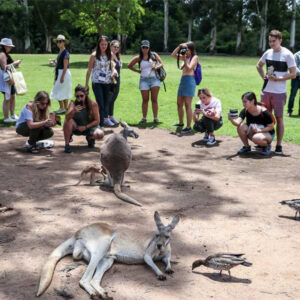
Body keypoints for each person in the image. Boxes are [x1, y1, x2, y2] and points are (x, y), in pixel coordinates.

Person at [256, 30, 296, 155]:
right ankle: (265, 143)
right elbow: (258, 65)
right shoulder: (268, 53)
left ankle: (278, 146)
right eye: (270, 41)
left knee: (279, 118)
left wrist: (279, 79)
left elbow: (294, 74)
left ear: (280, 40)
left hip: (279, 92)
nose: (271, 43)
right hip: (266, 91)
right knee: (265, 118)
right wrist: (263, 76)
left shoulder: (288, 54)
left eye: (274, 41)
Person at [85, 36, 118, 128]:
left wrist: (114, 71)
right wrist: (86, 84)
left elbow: (112, 65)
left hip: (107, 82)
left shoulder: (110, 54)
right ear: (98, 44)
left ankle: (100, 121)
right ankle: (101, 124)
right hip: (97, 82)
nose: (103, 46)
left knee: (106, 102)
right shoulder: (94, 55)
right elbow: (89, 70)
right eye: (102, 44)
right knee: (100, 102)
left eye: (105, 44)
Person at [228, 92, 275, 156]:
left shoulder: (264, 112)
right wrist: (232, 120)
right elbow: (238, 123)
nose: (243, 104)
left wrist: (259, 130)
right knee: (241, 126)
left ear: (252, 101)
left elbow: (271, 127)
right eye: (243, 102)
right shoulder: (245, 110)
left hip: (267, 133)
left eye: (245, 102)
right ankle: (247, 147)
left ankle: (266, 146)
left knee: (256, 138)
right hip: (255, 132)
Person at [128, 40, 163, 124]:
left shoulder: (154, 55)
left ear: (149, 48)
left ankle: (155, 118)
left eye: (146, 47)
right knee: (145, 100)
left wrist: (157, 67)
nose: (145, 49)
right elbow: (129, 66)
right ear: (141, 48)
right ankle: (144, 118)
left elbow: (161, 63)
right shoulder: (138, 57)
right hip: (144, 80)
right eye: (143, 47)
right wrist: (138, 71)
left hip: (155, 79)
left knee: (154, 99)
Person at [63, 84, 104, 153]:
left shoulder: (93, 104)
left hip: (89, 127)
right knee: (68, 121)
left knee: (100, 134)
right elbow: (67, 118)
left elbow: (97, 121)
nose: (79, 98)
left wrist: (85, 127)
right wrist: (73, 111)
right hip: (77, 127)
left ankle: (90, 138)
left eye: (81, 96)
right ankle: (67, 145)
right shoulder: (73, 103)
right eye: (77, 96)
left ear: (86, 94)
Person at [171, 41, 199, 134]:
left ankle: (188, 126)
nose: (185, 50)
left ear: (190, 49)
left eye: (186, 49)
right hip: (183, 80)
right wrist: (179, 46)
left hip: (190, 81)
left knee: (187, 104)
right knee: (179, 103)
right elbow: (173, 54)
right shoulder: (184, 56)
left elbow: (190, 68)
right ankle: (181, 122)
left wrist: (186, 60)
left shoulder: (194, 57)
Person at [0, 38, 22, 123]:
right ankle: (6, 117)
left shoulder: (5, 54)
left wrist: (15, 65)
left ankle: (12, 114)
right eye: (9, 46)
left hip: (10, 77)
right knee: (7, 98)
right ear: (5, 46)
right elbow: (4, 67)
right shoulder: (2, 54)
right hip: (7, 78)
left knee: (12, 96)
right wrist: (14, 63)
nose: (10, 48)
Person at [50, 34, 72, 115]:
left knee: (58, 90)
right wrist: (54, 61)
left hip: (63, 73)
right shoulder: (61, 52)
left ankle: (62, 108)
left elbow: (65, 66)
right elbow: (60, 63)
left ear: (64, 42)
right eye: (57, 41)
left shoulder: (66, 52)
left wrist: (62, 77)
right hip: (60, 72)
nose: (58, 43)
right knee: (61, 90)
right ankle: (64, 108)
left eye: (60, 41)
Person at [108, 40, 122, 125]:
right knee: (109, 98)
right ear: (110, 47)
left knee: (113, 99)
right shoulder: (110, 55)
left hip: (117, 79)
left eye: (117, 47)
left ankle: (111, 116)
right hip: (111, 80)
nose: (116, 48)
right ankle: (106, 117)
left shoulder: (117, 56)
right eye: (114, 47)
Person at [287, 49, 300, 116]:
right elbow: (294, 67)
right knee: (292, 95)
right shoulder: (296, 55)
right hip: (296, 78)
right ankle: (289, 111)